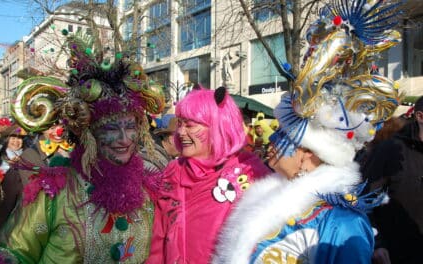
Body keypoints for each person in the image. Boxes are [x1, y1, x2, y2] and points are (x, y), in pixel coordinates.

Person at [213, 1, 402, 263]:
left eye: (284, 136)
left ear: (309, 154)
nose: (271, 139)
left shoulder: (340, 223)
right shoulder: (265, 197)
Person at [0, 34, 165, 263]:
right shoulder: (53, 193)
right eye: (110, 127)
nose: (124, 139)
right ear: (88, 133)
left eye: (130, 126)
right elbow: (16, 253)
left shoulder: (148, 192)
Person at [147, 87, 271, 263]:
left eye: (189, 125)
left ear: (218, 126)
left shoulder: (250, 172)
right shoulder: (173, 170)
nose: (181, 132)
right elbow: (159, 237)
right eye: (180, 123)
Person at [362, 95, 423, 264]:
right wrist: (377, 243)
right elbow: (363, 199)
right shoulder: (389, 150)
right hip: (398, 254)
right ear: (420, 117)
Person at [0, 125, 27, 229]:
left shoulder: (28, 155)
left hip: (24, 204)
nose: (16, 141)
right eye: (13, 138)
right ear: (7, 139)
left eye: (19, 138)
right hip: (4, 204)